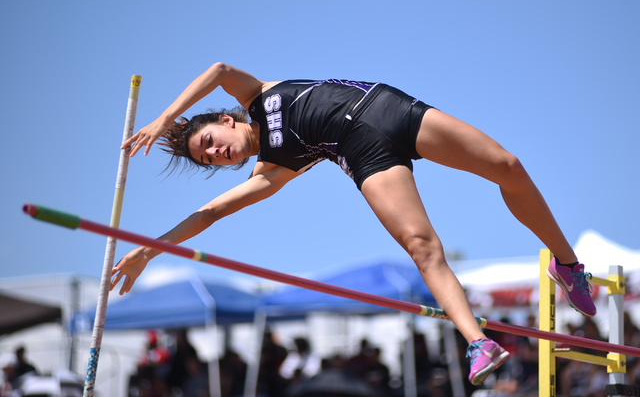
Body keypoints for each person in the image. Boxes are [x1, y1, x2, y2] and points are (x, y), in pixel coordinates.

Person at [109, 62, 596, 385]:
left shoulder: (257, 96)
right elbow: (210, 213)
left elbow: (217, 69)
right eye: (208, 160)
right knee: (423, 246)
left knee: (507, 166)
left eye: (209, 141)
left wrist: (165, 118)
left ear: (225, 119)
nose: (215, 153)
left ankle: (567, 265)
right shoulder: (274, 168)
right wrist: (149, 249)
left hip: (390, 110)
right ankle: (478, 343)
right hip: (367, 154)